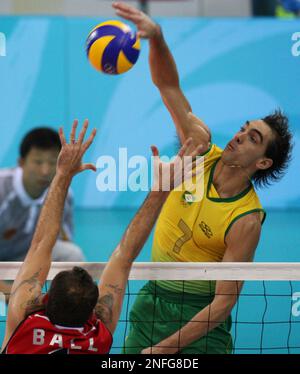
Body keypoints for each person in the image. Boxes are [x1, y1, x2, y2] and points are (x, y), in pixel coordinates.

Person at [113, 2, 293, 354]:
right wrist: (158, 39)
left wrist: (167, 348)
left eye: (253, 138)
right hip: (152, 301)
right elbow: (168, 85)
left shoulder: (246, 220)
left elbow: (224, 303)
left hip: (200, 326)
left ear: (263, 163)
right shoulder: (198, 151)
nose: (239, 136)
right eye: (244, 129)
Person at [1, 119, 201, 354]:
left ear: (43, 299)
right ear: (92, 312)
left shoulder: (25, 321)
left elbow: (41, 243)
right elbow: (123, 258)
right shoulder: (100, 333)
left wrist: (63, 174)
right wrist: (161, 190)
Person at [0, 127, 83, 263]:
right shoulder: (2, 188)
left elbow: (63, 239)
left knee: (71, 254)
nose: (45, 171)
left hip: (27, 261)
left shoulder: (63, 194)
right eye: (38, 162)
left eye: (52, 163)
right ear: (21, 162)